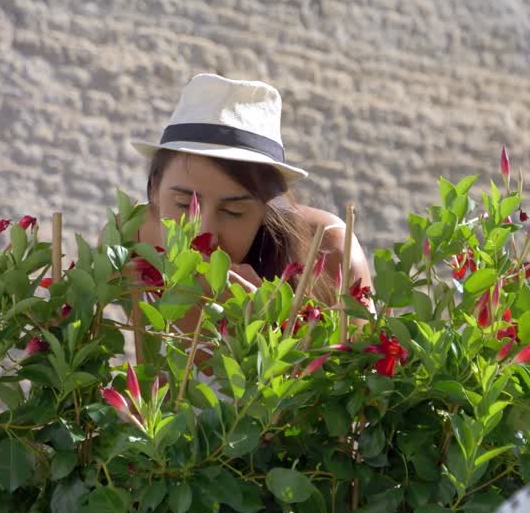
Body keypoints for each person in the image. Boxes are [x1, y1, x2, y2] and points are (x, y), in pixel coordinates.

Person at [131, 73, 371, 332]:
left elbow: (361, 372)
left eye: (233, 211)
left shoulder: (328, 252)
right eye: (182, 203)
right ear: (154, 189)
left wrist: (263, 329)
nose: (204, 233)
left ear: (267, 209)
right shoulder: (131, 239)